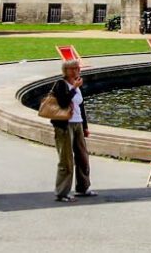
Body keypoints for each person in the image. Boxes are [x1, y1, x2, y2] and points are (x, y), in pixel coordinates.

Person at [46, 59, 94, 201]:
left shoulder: (77, 84)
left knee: (83, 157)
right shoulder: (61, 84)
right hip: (64, 125)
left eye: (77, 68)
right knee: (66, 159)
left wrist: (85, 126)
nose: (76, 71)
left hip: (77, 123)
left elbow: (81, 106)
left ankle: (83, 187)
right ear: (65, 71)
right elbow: (62, 102)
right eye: (72, 69)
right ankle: (62, 193)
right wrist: (73, 88)